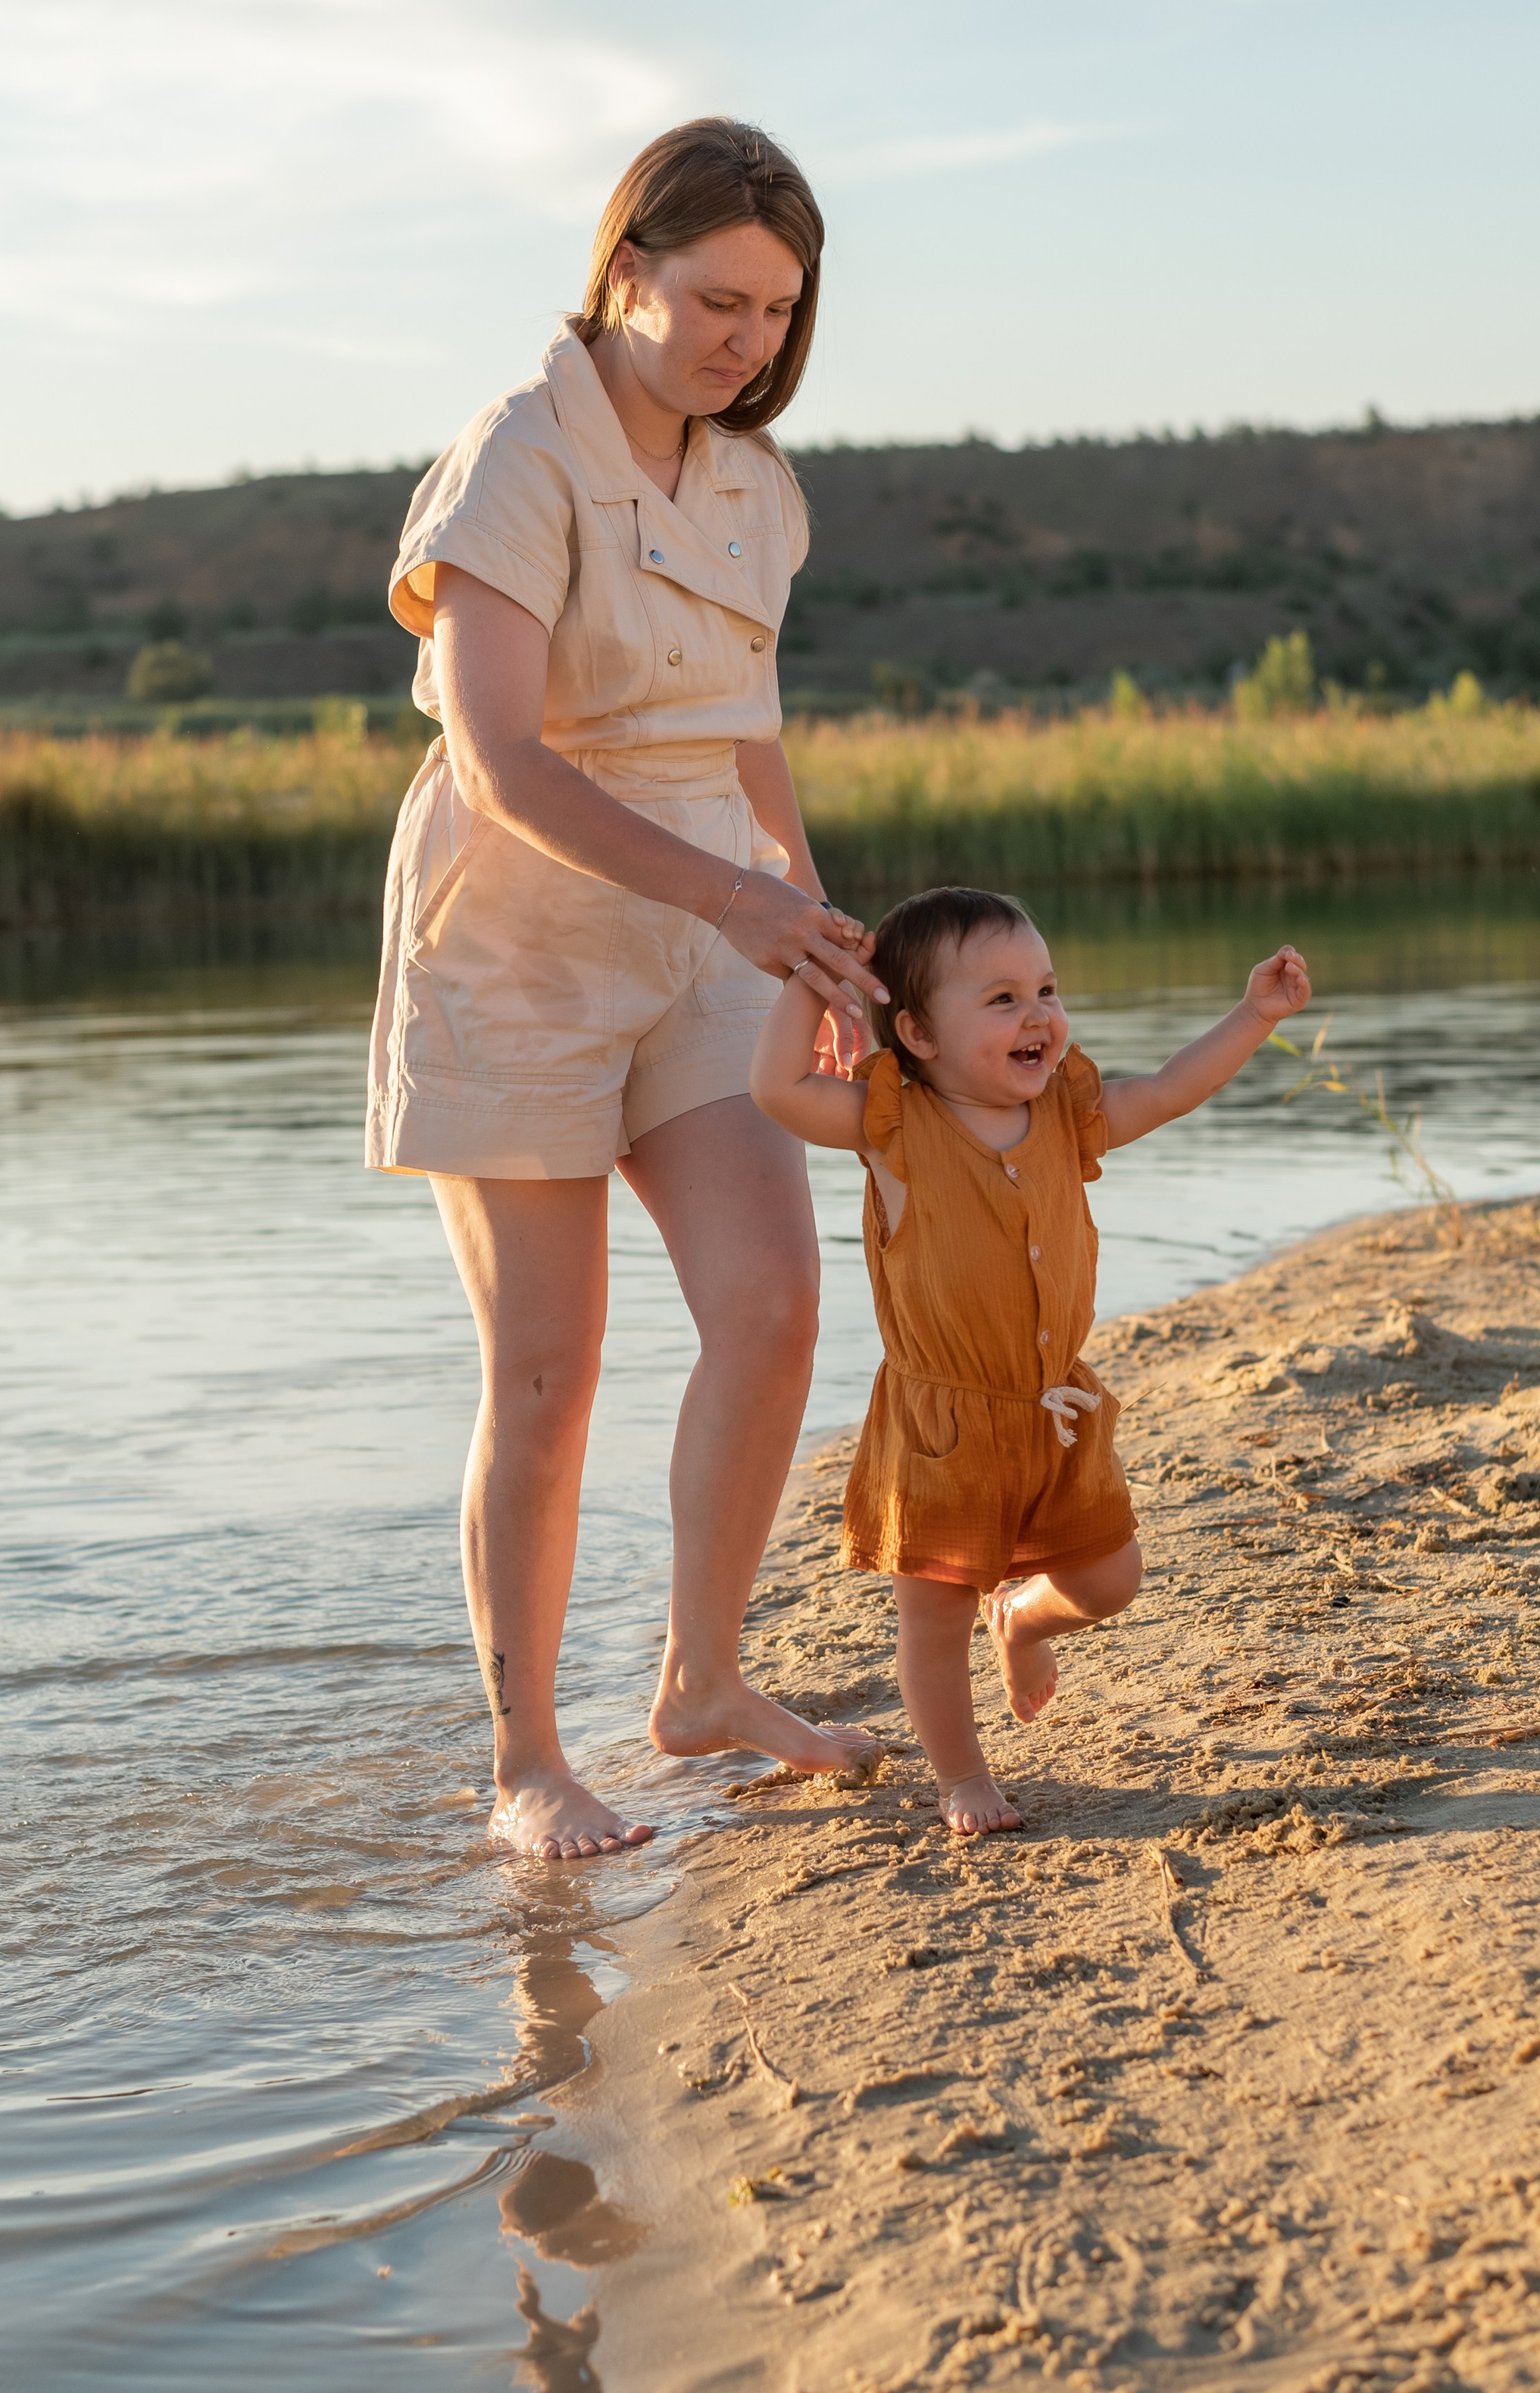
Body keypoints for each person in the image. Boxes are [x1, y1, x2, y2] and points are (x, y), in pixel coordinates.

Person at [367, 118, 887, 1861]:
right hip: (515, 935)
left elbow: (747, 736)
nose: (745, 340)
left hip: (708, 929)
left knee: (772, 1300)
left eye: (776, 312)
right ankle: (526, 1759)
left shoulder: (757, 488)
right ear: (624, 268)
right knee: (548, 1366)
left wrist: (805, 927)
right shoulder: (515, 455)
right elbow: (504, 756)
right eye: (716, 299)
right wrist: (742, 897)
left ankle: (700, 1681)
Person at [751, 886, 1311, 1835]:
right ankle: (962, 1776)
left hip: (1056, 1408)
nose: (1038, 1015)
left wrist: (1252, 1015)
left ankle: (1023, 1617)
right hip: (943, 1426)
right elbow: (777, 1091)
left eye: (1045, 989)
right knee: (931, 1625)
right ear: (919, 1034)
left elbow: (1167, 1091)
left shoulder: (1064, 1112)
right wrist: (820, 977)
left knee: (1110, 1580)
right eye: (1001, 999)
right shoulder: (893, 1129)